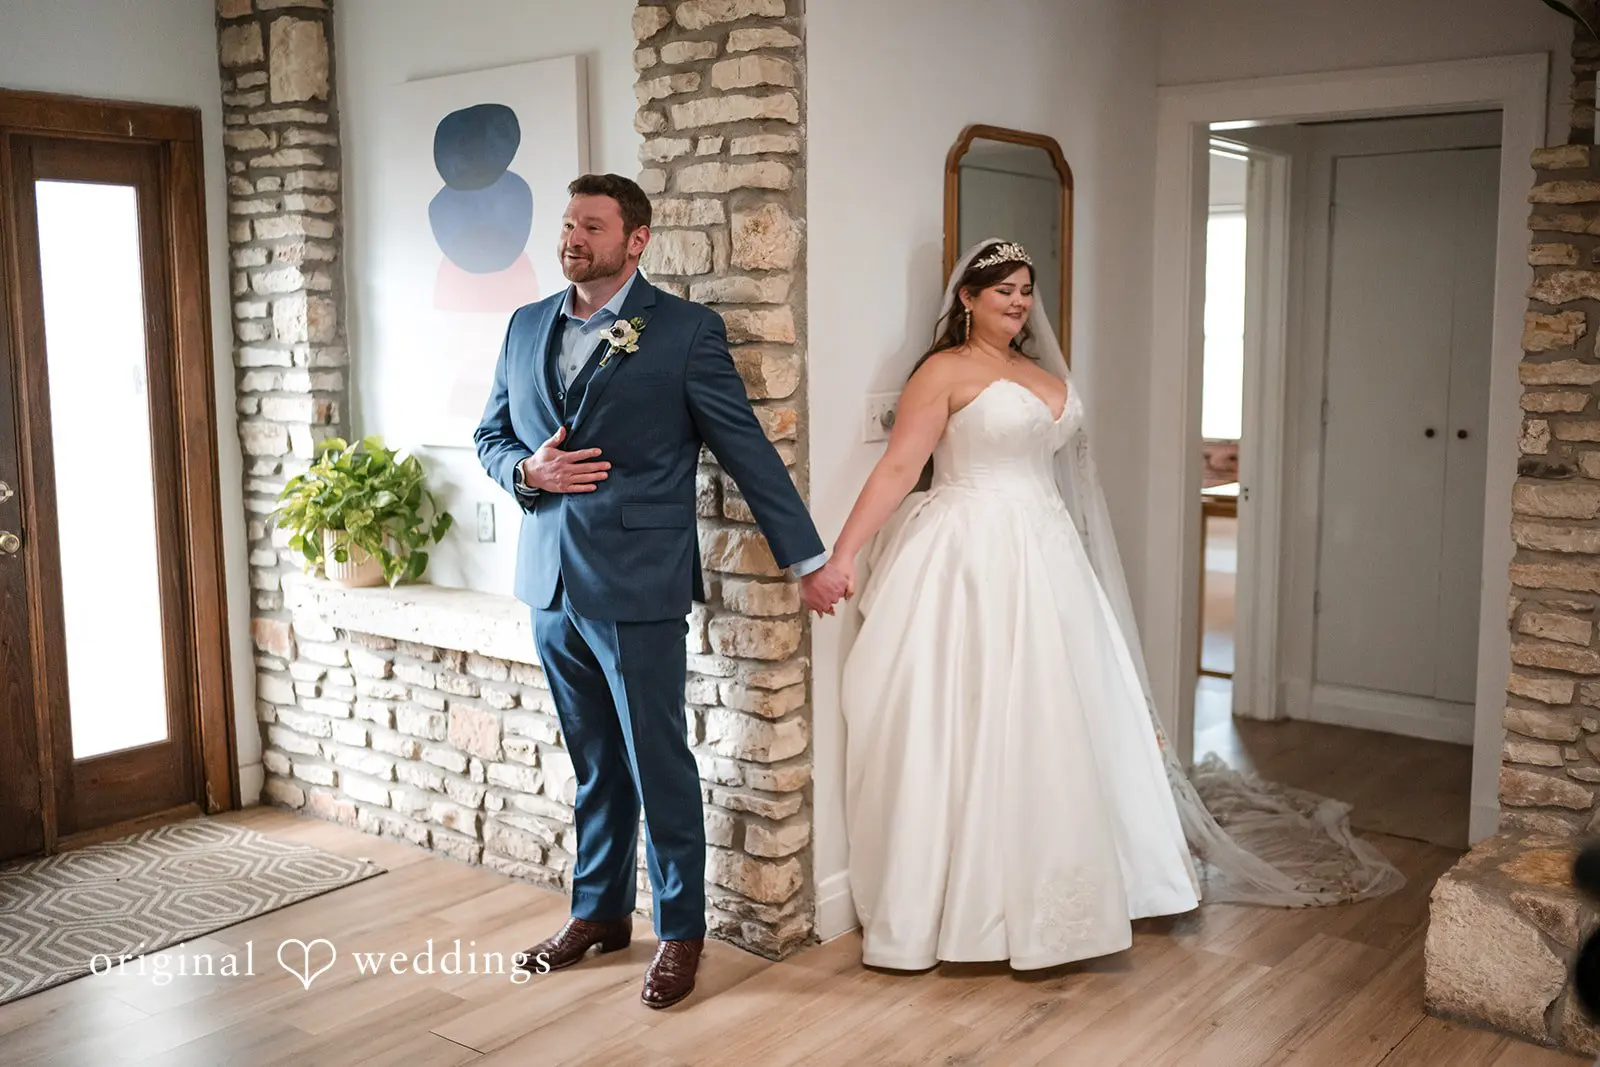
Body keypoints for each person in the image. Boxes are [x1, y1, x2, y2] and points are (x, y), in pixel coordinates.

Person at [809, 238, 1404, 972]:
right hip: (974, 552)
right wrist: (842, 555)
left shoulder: (1039, 371)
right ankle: (973, 902)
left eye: (1026, 289)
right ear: (967, 298)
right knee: (977, 716)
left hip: (1049, 552)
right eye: (1003, 291)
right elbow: (901, 465)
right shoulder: (944, 371)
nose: (1020, 301)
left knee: (1066, 714)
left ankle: (1092, 883)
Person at [473, 173, 849, 1007]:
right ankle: (599, 914)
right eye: (568, 224)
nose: (572, 239)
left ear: (635, 240)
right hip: (549, 580)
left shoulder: (682, 332)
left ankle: (681, 932)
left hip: (638, 581)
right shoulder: (525, 324)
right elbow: (492, 434)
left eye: (592, 227)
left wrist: (806, 559)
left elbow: (745, 448)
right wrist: (524, 470)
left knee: (657, 762)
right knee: (593, 762)